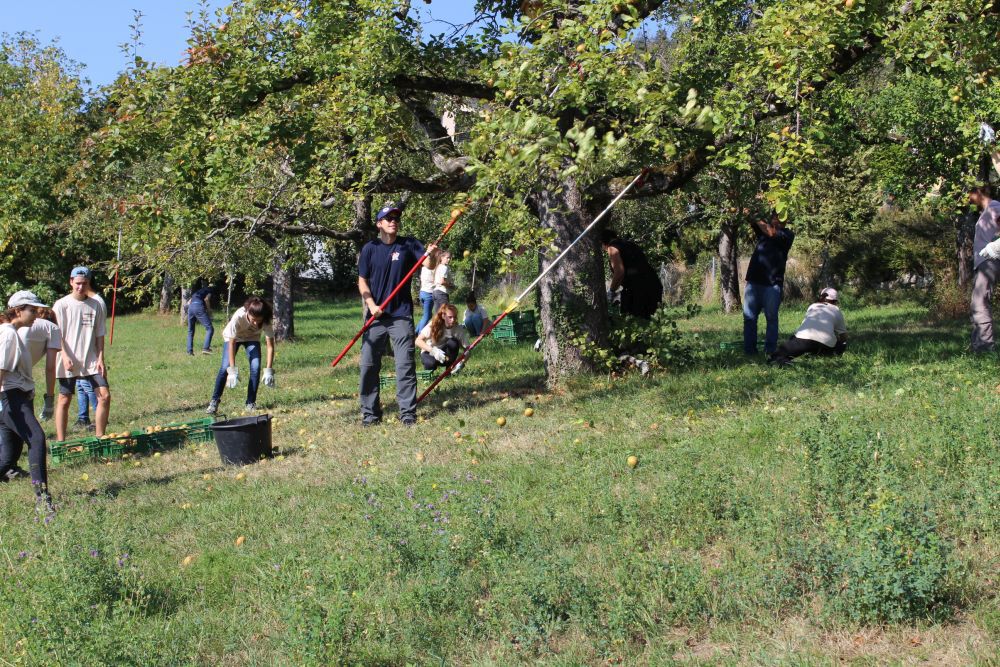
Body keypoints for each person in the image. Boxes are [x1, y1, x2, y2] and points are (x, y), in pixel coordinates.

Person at [358, 204, 428, 427]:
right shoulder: (369, 248)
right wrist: (371, 304)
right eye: (388, 218)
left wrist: (433, 253)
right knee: (368, 365)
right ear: (379, 223)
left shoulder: (409, 244)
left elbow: (428, 263)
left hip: (401, 315)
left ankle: (407, 414)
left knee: (404, 365)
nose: (393, 221)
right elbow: (362, 280)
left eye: (396, 218)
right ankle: (370, 414)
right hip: (376, 317)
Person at [0, 291, 54, 513]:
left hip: (17, 398)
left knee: (7, 459)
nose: (36, 314)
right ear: (17, 310)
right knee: (37, 438)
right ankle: (43, 499)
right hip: (11, 398)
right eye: (32, 310)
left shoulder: (13, 333)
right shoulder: (8, 334)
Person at [52, 266, 110, 441]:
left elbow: (100, 334)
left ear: (88, 283)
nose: (80, 287)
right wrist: (64, 355)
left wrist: (100, 357)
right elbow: (57, 333)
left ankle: (100, 437)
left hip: (91, 359)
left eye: (84, 283)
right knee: (64, 399)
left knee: (105, 396)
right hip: (67, 357)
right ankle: (61, 441)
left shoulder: (96, 305)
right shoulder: (61, 305)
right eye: (77, 283)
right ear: (71, 282)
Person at [206, 296, 276, 414]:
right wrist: (232, 370)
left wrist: (269, 369)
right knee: (225, 368)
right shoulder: (238, 316)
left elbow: (270, 346)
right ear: (248, 312)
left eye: (258, 320)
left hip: (252, 338)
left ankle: (250, 403)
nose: (255, 323)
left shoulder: (266, 320)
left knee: (256, 367)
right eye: (253, 319)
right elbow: (232, 343)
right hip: (234, 338)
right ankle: (214, 401)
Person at [743, 211, 794, 355]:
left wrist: (755, 216)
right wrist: (747, 208)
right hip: (753, 282)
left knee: (771, 318)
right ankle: (749, 351)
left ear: (785, 220)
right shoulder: (763, 232)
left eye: (781, 217)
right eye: (775, 217)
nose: (777, 220)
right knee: (749, 318)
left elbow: (770, 232)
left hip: (772, 284)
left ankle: (770, 350)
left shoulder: (787, 235)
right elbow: (754, 222)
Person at [768, 288, 847, 366]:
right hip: (826, 345)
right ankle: (819, 354)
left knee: (775, 356)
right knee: (841, 345)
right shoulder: (837, 310)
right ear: (835, 301)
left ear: (821, 297)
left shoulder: (813, 306)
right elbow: (843, 336)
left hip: (804, 340)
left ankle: (787, 362)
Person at [600, 229, 663, 319]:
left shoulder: (612, 248)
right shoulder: (629, 244)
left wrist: (611, 291)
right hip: (653, 283)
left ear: (603, 241)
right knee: (650, 323)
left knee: (635, 322)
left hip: (639, 290)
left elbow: (619, 273)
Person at [970, 185, 1000, 352]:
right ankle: (977, 345)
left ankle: (984, 347)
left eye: (970, 194)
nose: (968, 198)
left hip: (991, 259)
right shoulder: (987, 211)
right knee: (978, 302)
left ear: (979, 193)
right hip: (985, 261)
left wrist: (995, 244)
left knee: (979, 302)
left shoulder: (995, 207)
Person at [416, 304, 470, 372]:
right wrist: (433, 351)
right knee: (430, 364)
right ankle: (429, 374)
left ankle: (449, 370)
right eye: (450, 317)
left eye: (454, 317)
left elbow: (468, 349)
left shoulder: (458, 329)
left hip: (446, 356)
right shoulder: (434, 324)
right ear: (443, 316)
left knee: (453, 343)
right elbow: (417, 341)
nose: (453, 320)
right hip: (430, 352)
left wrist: (461, 363)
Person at [416, 249, 442, 335]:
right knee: (427, 316)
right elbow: (436, 280)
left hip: (422, 293)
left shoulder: (424, 267)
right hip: (429, 294)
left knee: (426, 315)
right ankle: (420, 334)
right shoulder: (433, 268)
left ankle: (416, 331)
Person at [186, 284, 215, 355]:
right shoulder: (210, 290)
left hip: (190, 308)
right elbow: (206, 299)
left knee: (190, 331)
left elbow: (188, 302)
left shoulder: (197, 292)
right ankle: (206, 348)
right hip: (198, 306)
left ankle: (189, 351)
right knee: (210, 328)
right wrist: (209, 311)